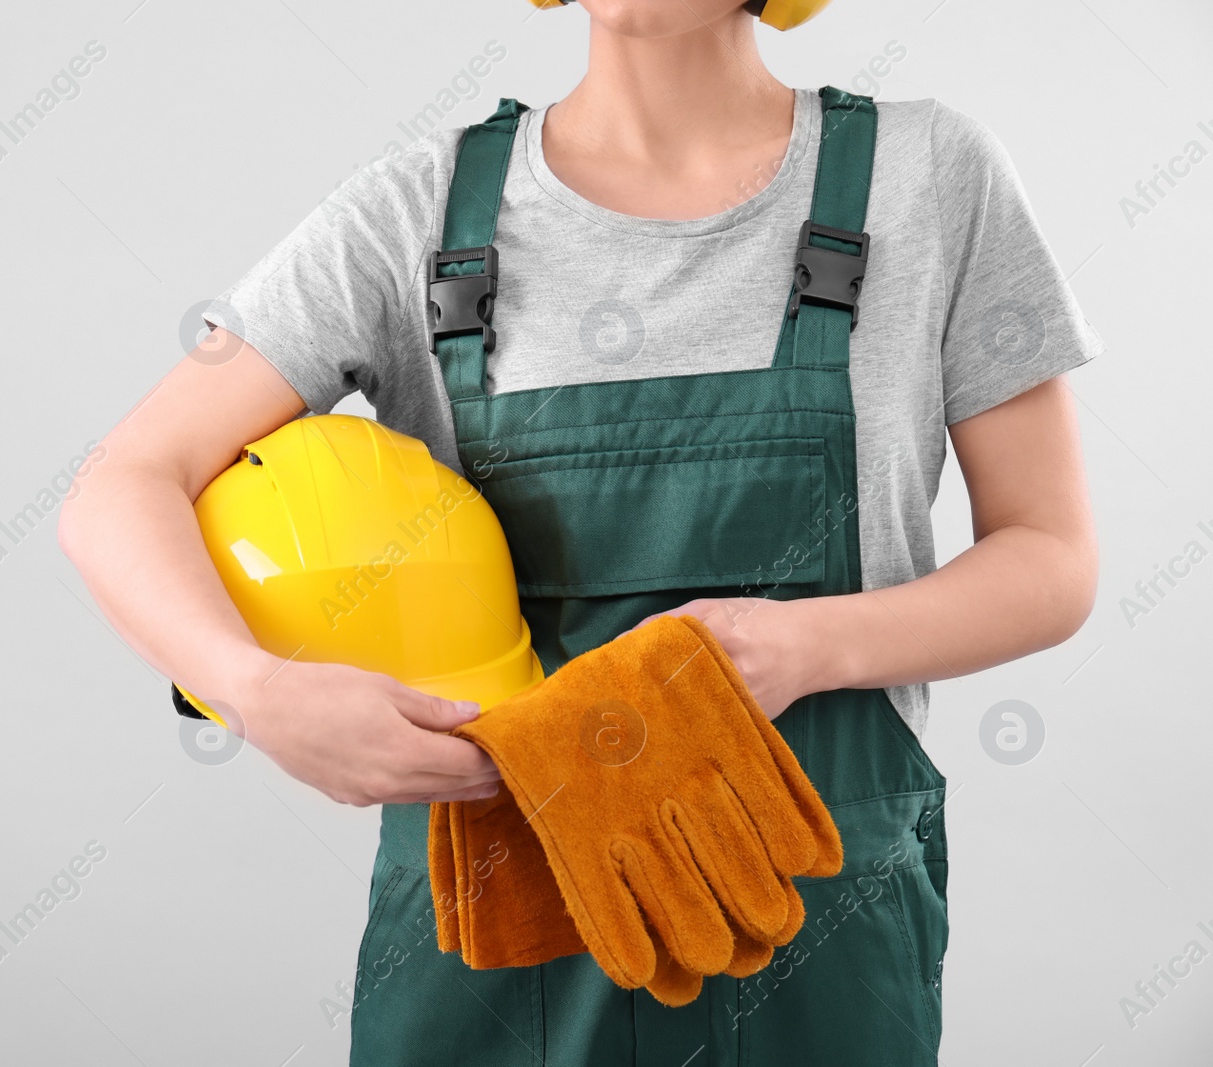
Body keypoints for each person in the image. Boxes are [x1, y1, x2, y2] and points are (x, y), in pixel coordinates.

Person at [60, 1, 1100, 1062]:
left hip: (809, 915)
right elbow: (121, 483)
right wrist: (258, 691)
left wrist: (803, 646)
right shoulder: (419, 211)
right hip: (493, 944)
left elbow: (1049, 556)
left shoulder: (926, 175)